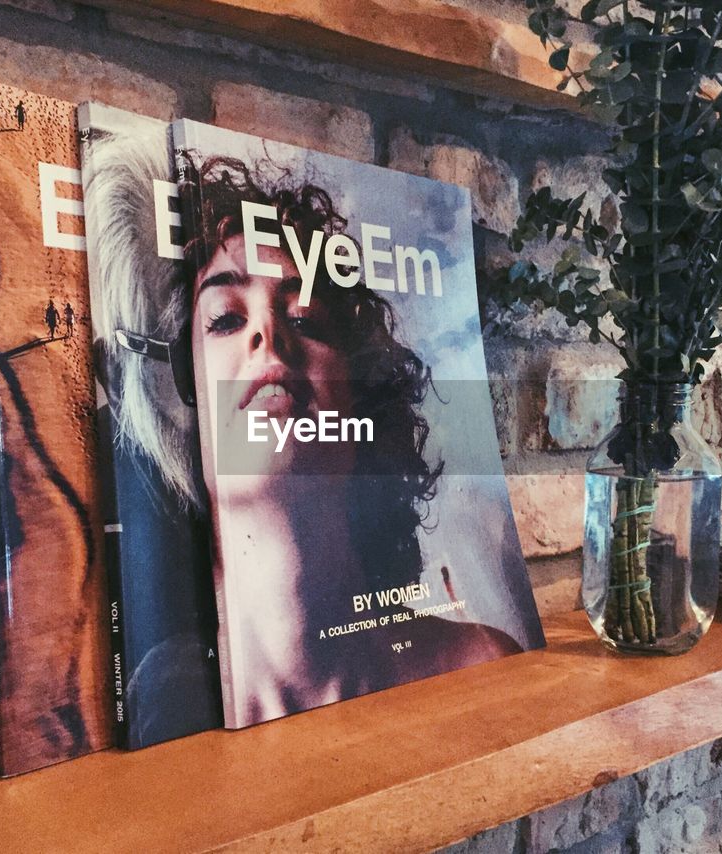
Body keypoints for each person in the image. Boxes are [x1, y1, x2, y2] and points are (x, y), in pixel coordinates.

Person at [175, 155, 520, 724]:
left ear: (361, 397)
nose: (268, 332)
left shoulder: (480, 662)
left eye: (305, 318)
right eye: (225, 319)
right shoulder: (162, 711)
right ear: (185, 400)